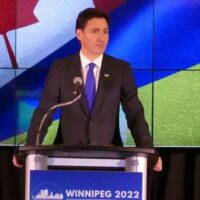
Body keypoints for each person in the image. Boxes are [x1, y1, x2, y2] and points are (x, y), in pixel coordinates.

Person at [13, 8, 162, 171]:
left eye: (105, 32)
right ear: (79, 34)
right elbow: (44, 113)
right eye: (95, 31)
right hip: (66, 159)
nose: (102, 38)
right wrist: (30, 150)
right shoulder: (61, 68)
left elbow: (135, 115)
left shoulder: (120, 69)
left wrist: (149, 153)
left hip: (111, 160)